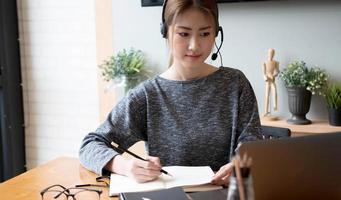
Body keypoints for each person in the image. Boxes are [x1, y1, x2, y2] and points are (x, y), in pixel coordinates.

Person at [79, 0, 262, 187]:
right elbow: (90, 145)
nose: (194, 45)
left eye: (205, 33)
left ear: (216, 34)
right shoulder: (148, 95)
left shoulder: (235, 84)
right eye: (183, 34)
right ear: (165, 32)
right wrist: (125, 166)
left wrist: (240, 165)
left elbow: (255, 148)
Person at [262, 48, 279, 118]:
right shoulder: (264, 63)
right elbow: (263, 73)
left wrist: (274, 74)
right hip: (267, 81)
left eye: (272, 53)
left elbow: (277, 71)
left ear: (274, 54)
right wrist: (265, 77)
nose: (271, 54)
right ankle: (266, 111)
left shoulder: (276, 63)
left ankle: (275, 106)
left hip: (272, 80)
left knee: (274, 92)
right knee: (267, 95)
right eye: (270, 53)